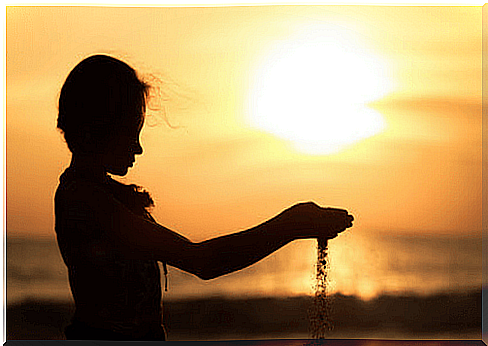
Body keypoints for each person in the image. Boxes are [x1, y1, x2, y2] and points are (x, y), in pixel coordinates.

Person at [54, 54, 354, 341]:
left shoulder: (100, 194)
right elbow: (203, 261)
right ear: (99, 129)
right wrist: (291, 225)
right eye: (132, 133)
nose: (138, 148)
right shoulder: (84, 200)